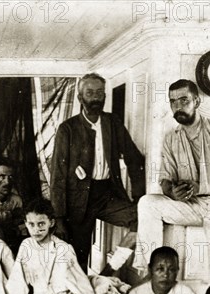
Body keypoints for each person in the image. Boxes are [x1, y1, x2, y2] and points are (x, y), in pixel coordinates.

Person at [132, 79, 210, 283]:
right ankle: (151, 274)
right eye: (173, 102)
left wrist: (200, 186)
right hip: (192, 206)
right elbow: (166, 178)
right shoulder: (171, 138)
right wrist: (171, 192)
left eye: (184, 100)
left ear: (197, 101)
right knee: (148, 203)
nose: (178, 107)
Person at [50, 73, 146, 272]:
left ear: (105, 97)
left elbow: (135, 159)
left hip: (107, 195)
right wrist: (58, 217)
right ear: (80, 98)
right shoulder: (67, 129)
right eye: (90, 93)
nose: (95, 97)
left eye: (100, 93)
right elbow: (57, 176)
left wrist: (140, 199)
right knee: (78, 258)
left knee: (142, 218)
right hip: (77, 201)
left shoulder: (113, 123)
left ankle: (110, 270)